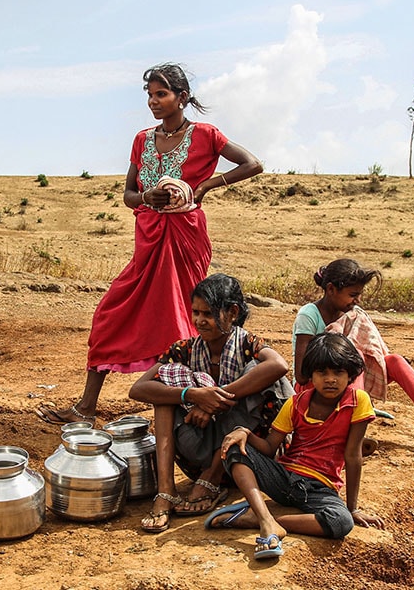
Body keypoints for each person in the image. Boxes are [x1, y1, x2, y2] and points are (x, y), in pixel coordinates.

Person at [36, 63, 263, 426]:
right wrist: (147, 197)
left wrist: (205, 187)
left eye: (161, 94)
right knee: (111, 315)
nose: (153, 102)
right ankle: (86, 408)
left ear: (182, 98)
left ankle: (194, 406)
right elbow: (128, 195)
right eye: (150, 95)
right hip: (149, 238)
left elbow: (252, 164)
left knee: (182, 317)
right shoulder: (142, 140)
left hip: (185, 237)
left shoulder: (206, 134)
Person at [128, 274, 290, 533]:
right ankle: (166, 490)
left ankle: (212, 477)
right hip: (198, 446)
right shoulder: (185, 349)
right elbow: (138, 389)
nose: (199, 321)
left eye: (209, 314)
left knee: (258, 373)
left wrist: (218, 397)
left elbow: (279, 366)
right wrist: (192, 395)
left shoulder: (248, 344)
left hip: (245, 453)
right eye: (196, 312)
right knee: (163, 394)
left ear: (233, 312)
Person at [210, 332, 385, 560]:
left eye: (338, 372)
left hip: (321, 488)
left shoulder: (357, 401)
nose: (330, 379)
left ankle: (266, 520)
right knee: (234, 448)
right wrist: (245, 433)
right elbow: (269, 448)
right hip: (284, 479)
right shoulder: (295, 403)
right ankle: (265, 520)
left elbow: (353, 457)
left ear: (350, 374)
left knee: (341, 522)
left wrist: (352, 509)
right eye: (322, 372)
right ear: (311, 374)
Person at [293, 258, 414, 457]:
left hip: (347, 384)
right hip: (314, 387)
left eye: (359, 295)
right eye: (352, 295)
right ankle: (350, 437)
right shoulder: (309, 315)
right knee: (356, 356)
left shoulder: (353, 314)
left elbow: (377, 357)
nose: (357, 301)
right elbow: (301, 376)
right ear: (331, 289)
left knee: (395, 361)